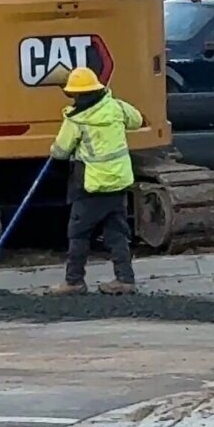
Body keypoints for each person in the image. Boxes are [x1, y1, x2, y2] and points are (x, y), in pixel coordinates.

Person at [49, 67, 143, 296]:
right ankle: (125, 279)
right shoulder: (117, 107)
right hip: (119, 182)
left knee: (79, 233)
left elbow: (60, 152)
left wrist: (54, 149)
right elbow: (137, 120)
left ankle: (74, 281)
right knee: (116, 233)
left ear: (76, 94)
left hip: (91, 186)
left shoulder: (77, 119)